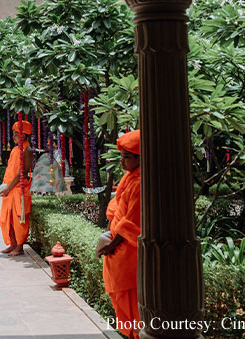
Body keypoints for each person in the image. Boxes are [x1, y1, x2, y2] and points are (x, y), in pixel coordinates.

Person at [97, 129, 141, 339]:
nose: (122, 162)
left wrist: (111, 245)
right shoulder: (128, 178)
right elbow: (114, 212)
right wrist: (106, 237)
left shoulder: (141, 183)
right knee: (121, 303)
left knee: (132, 302)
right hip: (116, 248)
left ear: (139, 158)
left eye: (127, 157)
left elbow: (131, 222)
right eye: (121, 157)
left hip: (127, 251)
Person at [0, 118, 34, 256]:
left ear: (23, 135)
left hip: (19, 190)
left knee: (19, 219)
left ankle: (19, 247)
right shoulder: (15, 149)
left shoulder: (27, 150)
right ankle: (12, 244)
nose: (13, 136)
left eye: (15, 133)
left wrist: (8, 188)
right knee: (7, 219)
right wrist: (5, 187)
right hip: (9, 189)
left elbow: (22, 172)